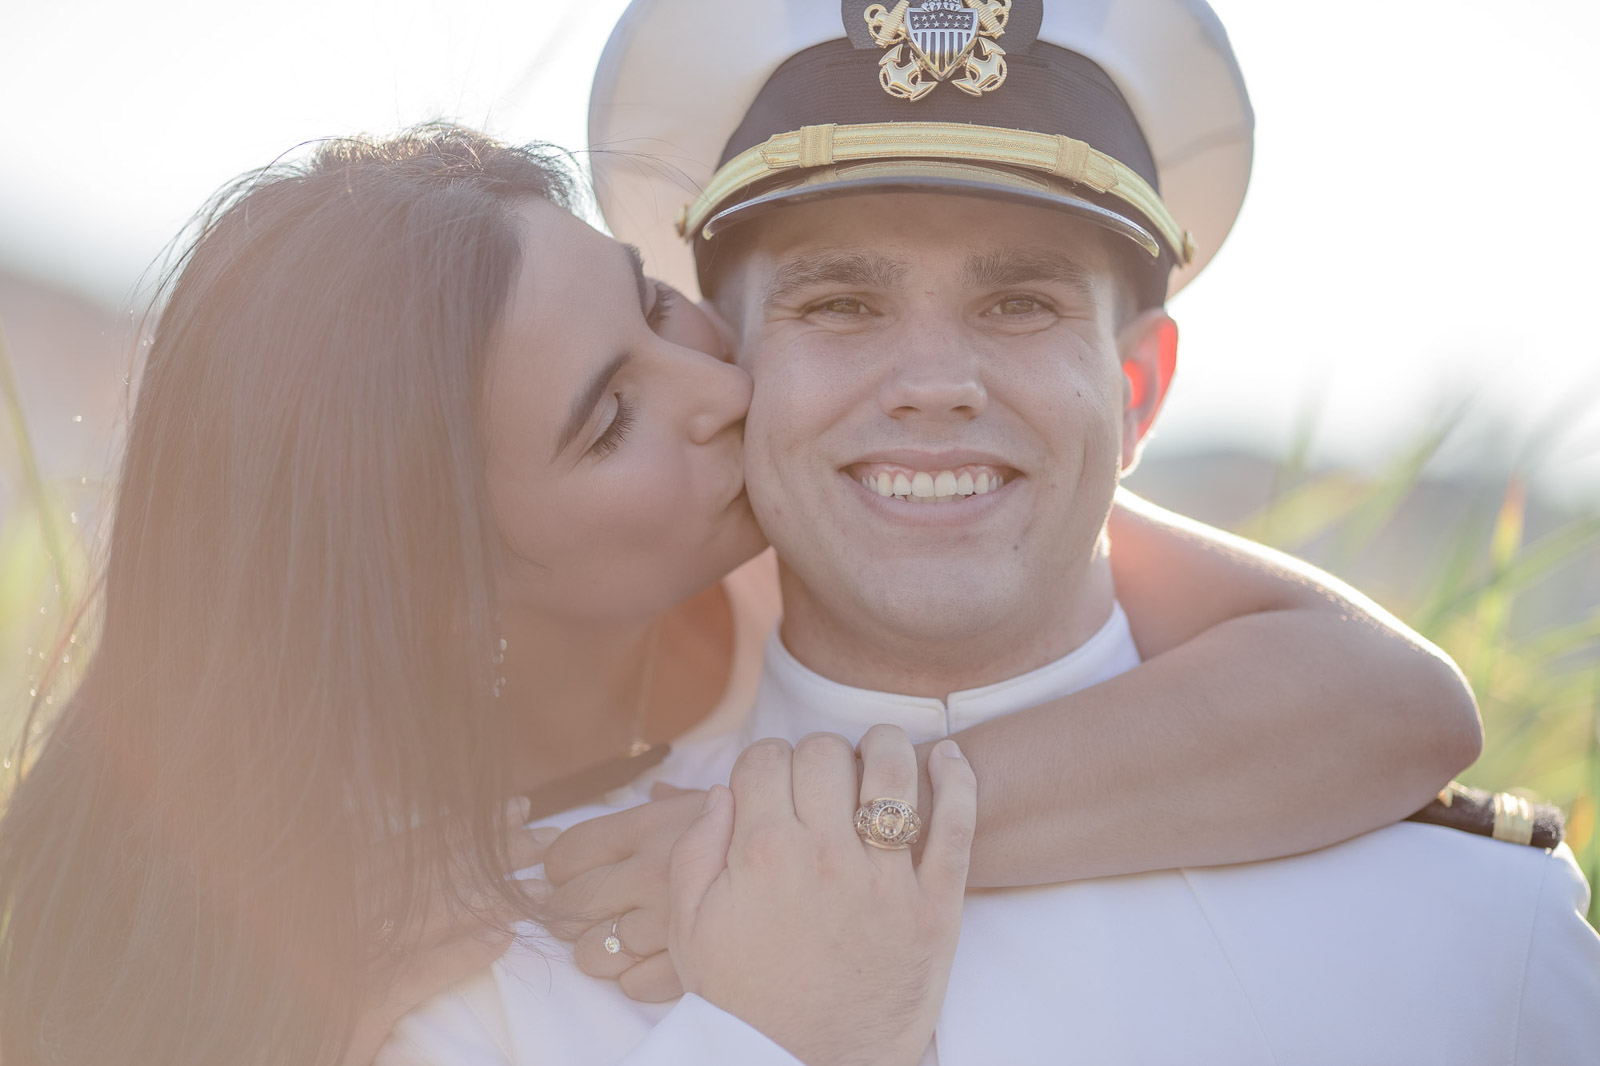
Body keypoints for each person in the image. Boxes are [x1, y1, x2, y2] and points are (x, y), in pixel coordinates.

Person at [0, 119, 1475, 1066]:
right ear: (452, 587)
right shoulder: (353, 935)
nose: (717, 385)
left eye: (649, 304)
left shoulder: (819, 516)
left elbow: (1390, 704)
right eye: (607, 420)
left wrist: (811, 832)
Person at [385, 0, 1600, 1062]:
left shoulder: (1478, 935)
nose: (933, 380)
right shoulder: (506, 960)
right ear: (736, 369)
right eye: (843, 302)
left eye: (1019, 303)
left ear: (1136, 393)